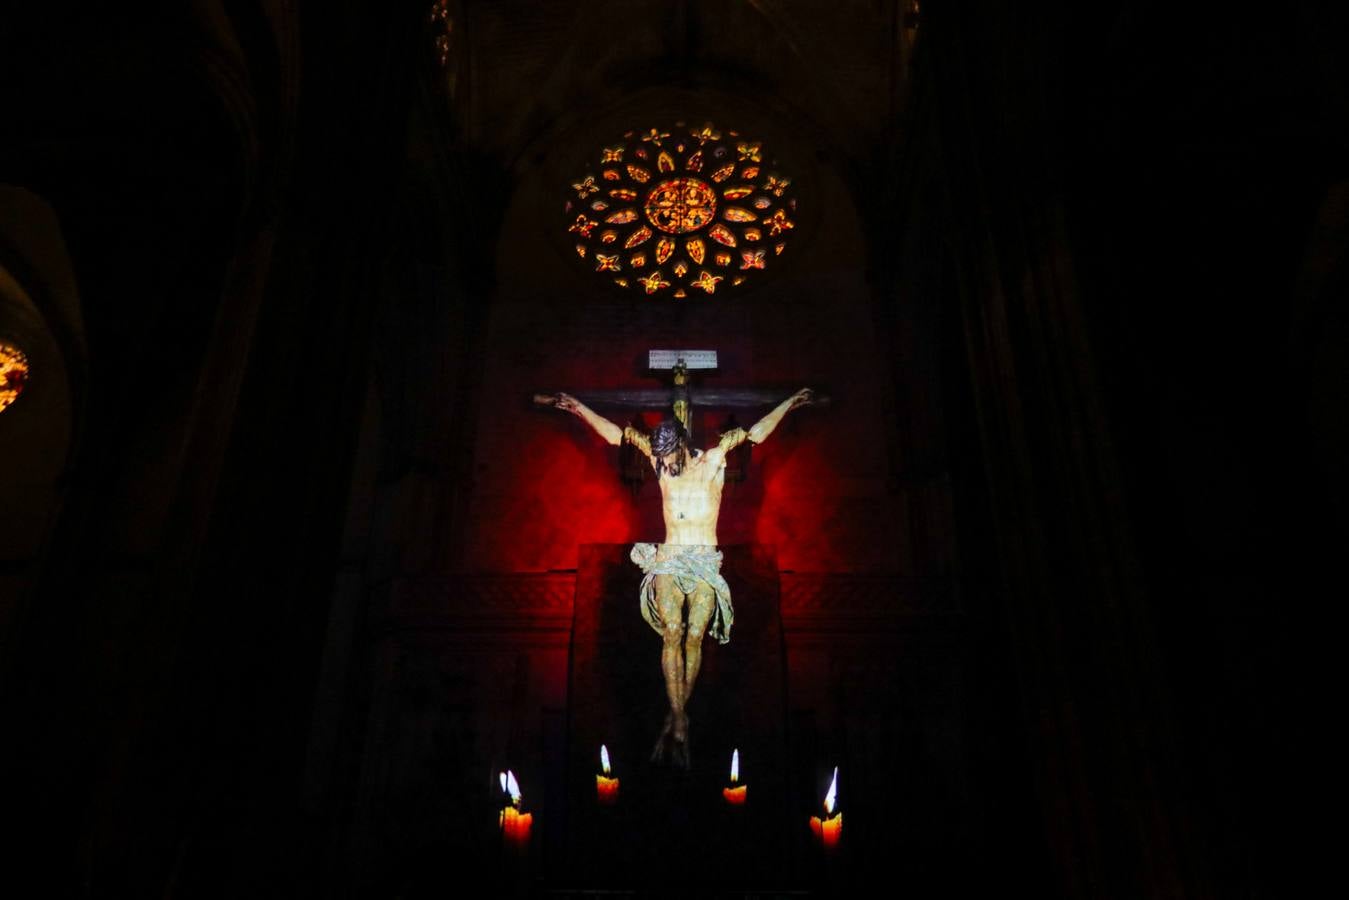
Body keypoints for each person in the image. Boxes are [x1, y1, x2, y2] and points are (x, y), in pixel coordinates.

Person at [543, 387, 815, 766]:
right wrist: (578, 409)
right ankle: (681, 722)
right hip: (669, 557)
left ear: (683, 447)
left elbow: (756, 432)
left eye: (669, 457)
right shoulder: (657, 461)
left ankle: (675, 716)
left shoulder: (715, 460)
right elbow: (616, 434)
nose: (664, 465)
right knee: (672, 630)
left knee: (694, 637)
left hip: (703, 558)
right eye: (661, 458)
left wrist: (788, 403)